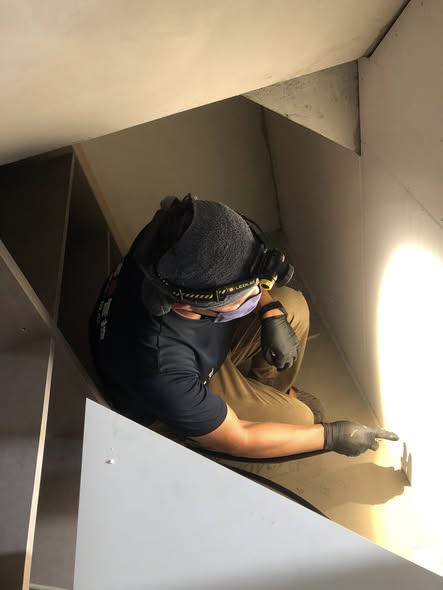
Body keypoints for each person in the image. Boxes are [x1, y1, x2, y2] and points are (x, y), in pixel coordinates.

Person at [89, 195, 398, 460]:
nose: (258, 292)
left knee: (290, 307)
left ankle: (268, 390)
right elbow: (240, 437)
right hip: (173, 395)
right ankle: (193, 434)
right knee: (302, 421)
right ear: (184, 306)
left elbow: (243, 276)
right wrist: (331, 437)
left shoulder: (175, 237)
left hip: (196, 348)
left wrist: (270, 310)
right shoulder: (160, 369)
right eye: (241, 296)